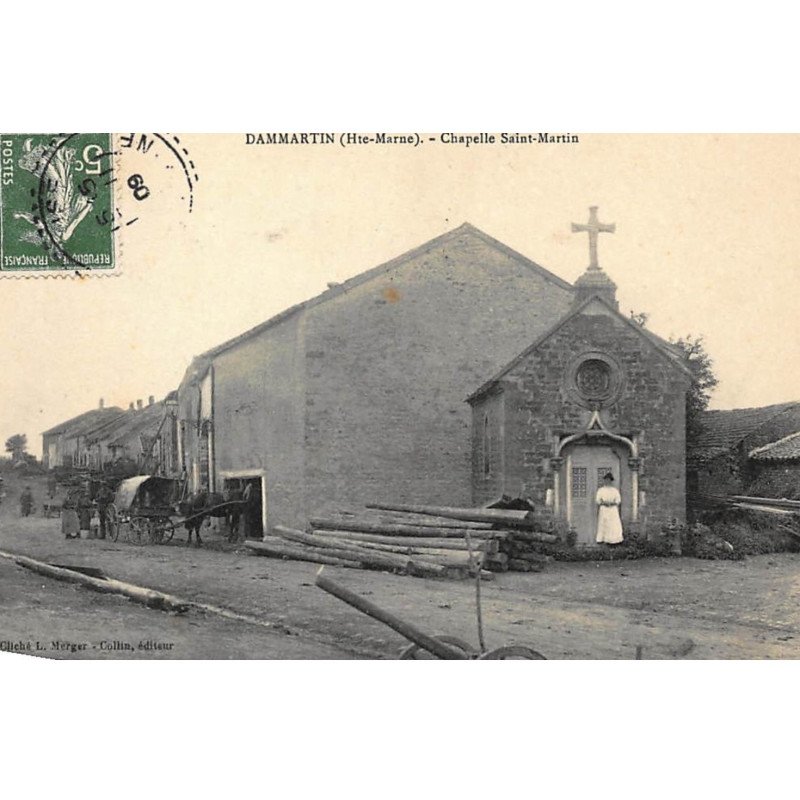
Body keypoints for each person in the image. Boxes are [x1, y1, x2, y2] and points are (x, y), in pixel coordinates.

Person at [595, 472, 623, 545]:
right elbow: (598, 500)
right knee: (604, 523)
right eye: (606, 480)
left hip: (613, 509)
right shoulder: (601, 490)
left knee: (613, 524)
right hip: (604, 509)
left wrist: (612, 503)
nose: (607, 481)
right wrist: (604, 503)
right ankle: (603, 539)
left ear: (611, 481)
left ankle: (613, 541)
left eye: (609, 480)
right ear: (604, 480)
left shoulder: (614, 490)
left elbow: (618, 500)